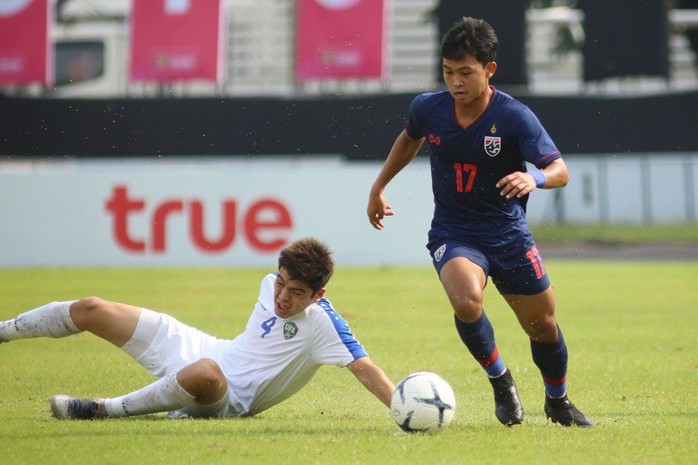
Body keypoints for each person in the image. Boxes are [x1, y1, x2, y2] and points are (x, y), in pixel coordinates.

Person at [366, 17, 593, 427]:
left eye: (466, 72)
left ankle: (557, 400)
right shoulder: (427, 109)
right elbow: (409, 138)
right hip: (454, 232)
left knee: (542, 326)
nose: (455, 81)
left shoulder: (514, 117)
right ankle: (501, 380)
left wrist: (534, 176)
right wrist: (379, 186)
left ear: (489, 70)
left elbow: (559, 169)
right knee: (467, 300)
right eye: (448, 72)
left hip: (508, 234)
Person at [0, 237, 395, 420]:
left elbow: (366, 369)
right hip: (204, 347)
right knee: (92, 308)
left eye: (296, 292)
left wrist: (403, 409)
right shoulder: (268, 285)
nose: (282, 297)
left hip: (225, 396)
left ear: (317, 294)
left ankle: (101, 410)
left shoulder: (324, 324)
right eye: (280, 282)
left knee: (205, 371)